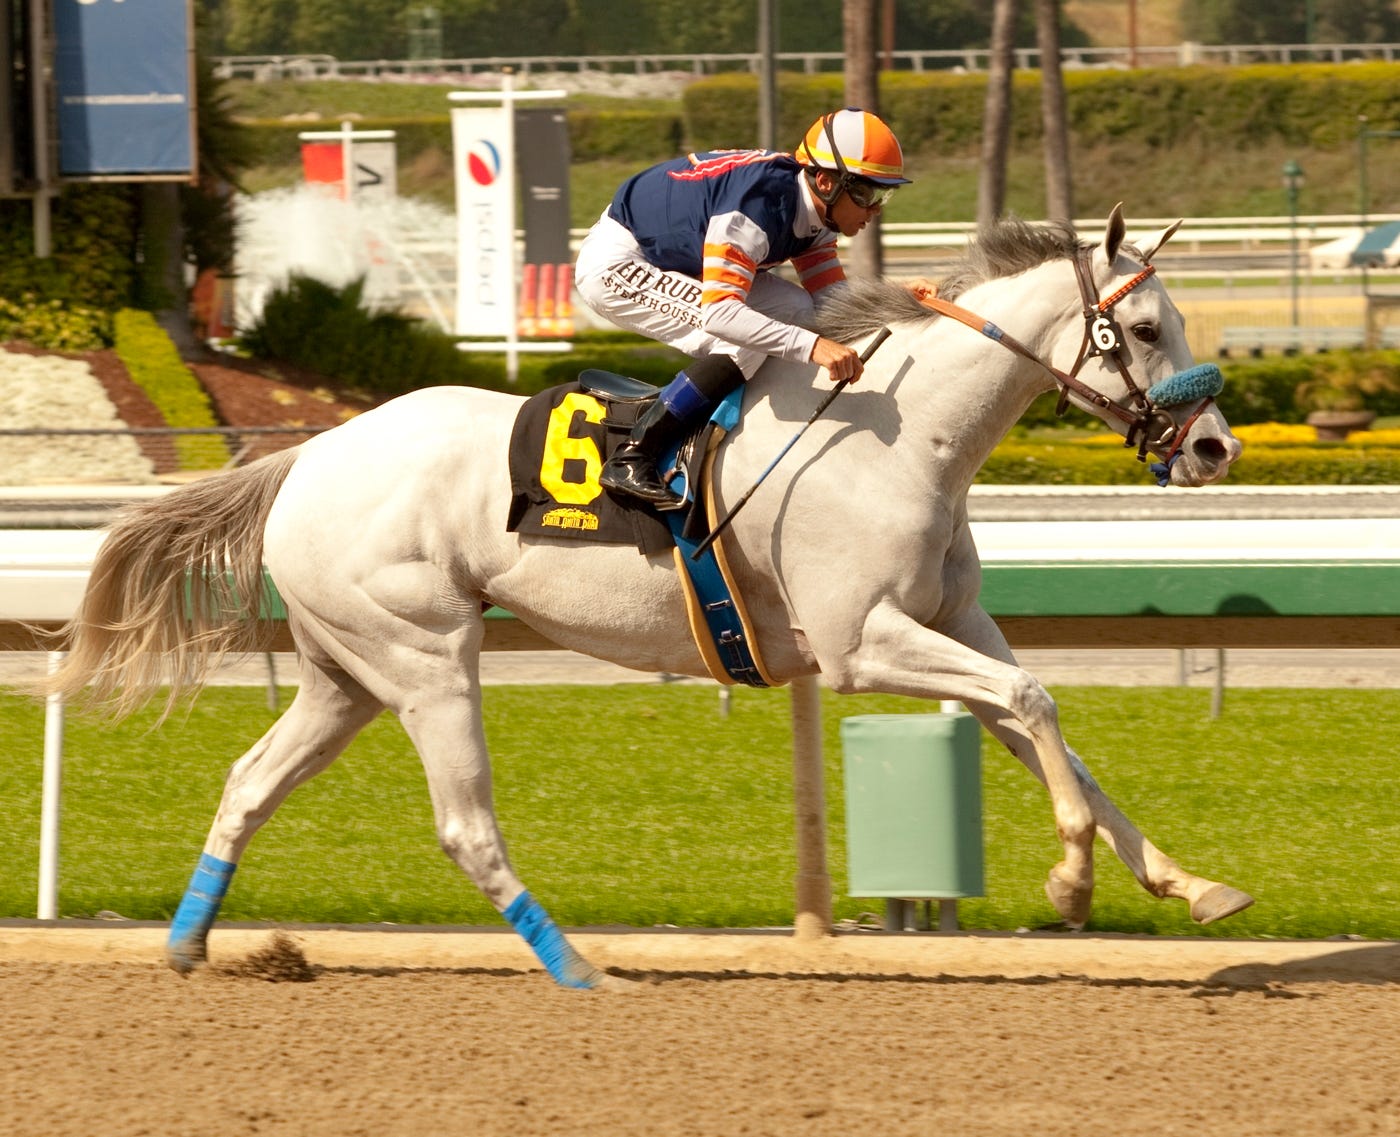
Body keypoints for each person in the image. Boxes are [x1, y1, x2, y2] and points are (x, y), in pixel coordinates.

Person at [574, 107, 938, 508]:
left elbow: (832, 303)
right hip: (621, 263)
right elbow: (721, 314)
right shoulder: (752, 210)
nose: (876, 209)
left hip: (674, 258)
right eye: (868, 194)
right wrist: (815, 347)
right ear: (825, 181)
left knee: (796, 306)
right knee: (741, 334)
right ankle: (634, 455)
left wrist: (896, 297)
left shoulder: (816, 211)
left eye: (885, 194)